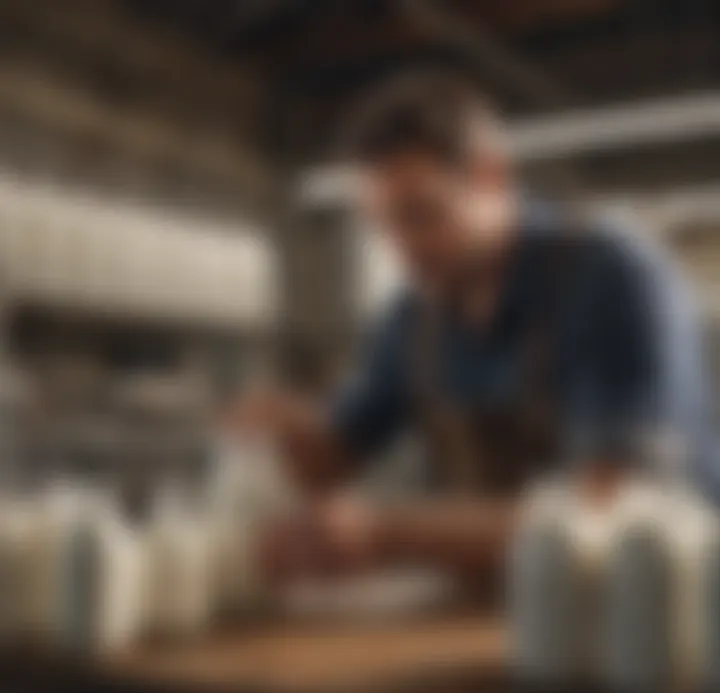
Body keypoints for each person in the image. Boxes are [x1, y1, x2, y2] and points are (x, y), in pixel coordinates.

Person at [231, 74, 717, 591]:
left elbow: (609, 511)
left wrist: (387, 533)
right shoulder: (411, 323)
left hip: (655, 614)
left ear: (490, 176)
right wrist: (294, 436)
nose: (404, 251)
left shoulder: (609, 277)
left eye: (421, 215)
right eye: (386, 226)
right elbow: (335, 456)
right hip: (498, 611)